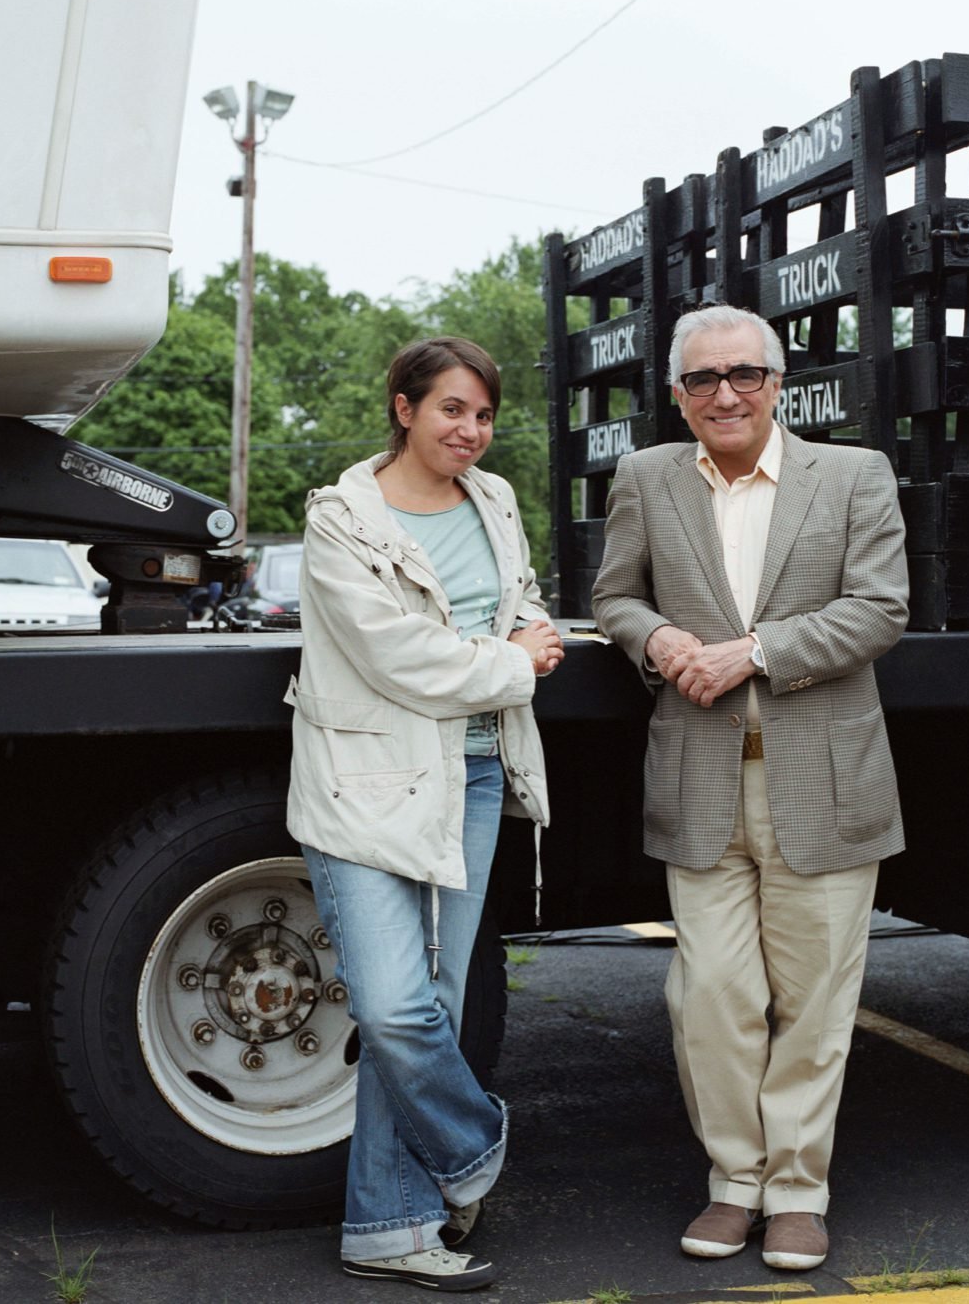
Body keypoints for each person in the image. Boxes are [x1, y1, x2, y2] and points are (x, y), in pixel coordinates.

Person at [591, 304, 908, 1272]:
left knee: (814, 1003)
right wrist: (659, 638)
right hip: (699, 782)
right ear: (679, 396)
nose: (724, 394)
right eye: (702, 381)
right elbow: (614, 595)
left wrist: (756, 653)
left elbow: (880, 608)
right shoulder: (646, 477)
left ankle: (799, 1191)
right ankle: (736, 1183)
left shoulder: (853, 475)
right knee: (713, 996)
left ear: (779, 381)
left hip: (826, 778)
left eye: (744, 375)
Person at [285, 336, 563, 1293]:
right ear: (403, 409)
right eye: (452, 410)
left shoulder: (494, 499)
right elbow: (393, 655)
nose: (471, 431)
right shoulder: (342, 522)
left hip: (473, 777)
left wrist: (535, 627)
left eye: (483, 415)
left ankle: (388, 1227)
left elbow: (513, 596)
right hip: (365, 784)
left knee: (436, 1005)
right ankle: (472, 1147)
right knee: (395, 1008)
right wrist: (516, 665)